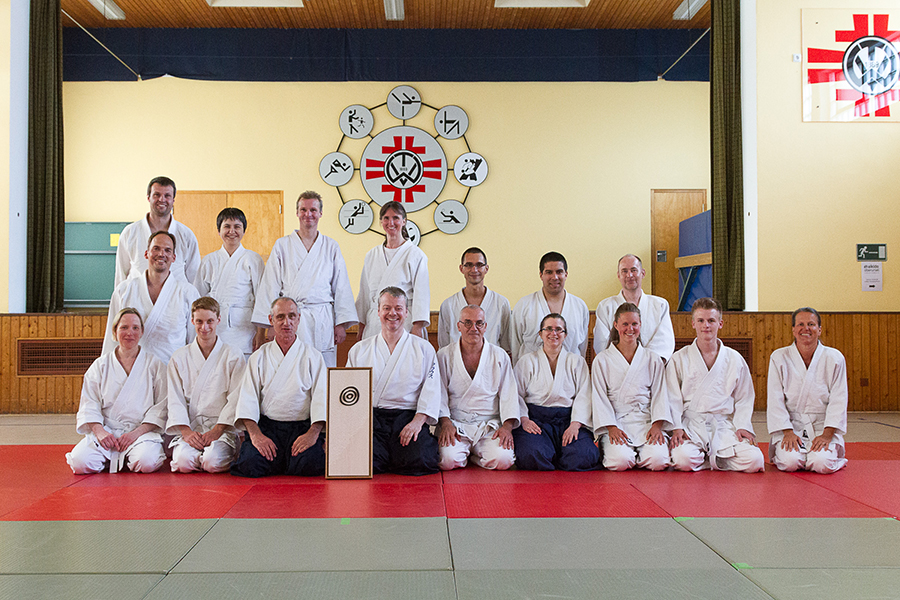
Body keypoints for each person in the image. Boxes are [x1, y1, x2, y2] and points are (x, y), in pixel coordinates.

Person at [252, 191, 357, 367]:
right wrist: (269, 324)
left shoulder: (331, 246)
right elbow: (270, 284)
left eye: (313, 210)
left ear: (321, 213)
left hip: (321, 318)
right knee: (292, 367)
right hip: (291, 318)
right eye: (303, 210)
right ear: (297, 212)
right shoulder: (282, 245)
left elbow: (341, 286)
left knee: (322, 369)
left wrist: (341, 324)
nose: (308, 214)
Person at [229, 297, 328, 477]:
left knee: (311, 463)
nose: (286, 323)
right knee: (250, 463)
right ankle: (281, 460)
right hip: (268, 429)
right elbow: (247, 400)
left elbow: (321, 400)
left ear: (298, 319)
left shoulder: (313, 356)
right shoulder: (258, 358)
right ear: (271, 320)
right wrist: (256, 436)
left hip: (301, 429)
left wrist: (313, 433)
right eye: (280, 317)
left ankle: (284, 461)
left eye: (291, 316)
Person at [347, 287, 441, 475]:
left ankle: (394, 455)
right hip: (372, 419)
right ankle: (389, 455)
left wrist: (417, 421)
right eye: (387, 308)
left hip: (407, 417)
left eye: (398, 308)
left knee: (422, 458)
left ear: (406, 312)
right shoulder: (359, 350)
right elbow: (350, 394)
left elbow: (431, 389)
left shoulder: (424, 349)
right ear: (378, 312)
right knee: (361, 461)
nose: (393, 313)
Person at [665, 297, 764, 472]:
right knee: (683, 460)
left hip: (723, 425)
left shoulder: (734, 359)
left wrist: (742, 425)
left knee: (755, 460)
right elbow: (672, 397)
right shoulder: (678, 358)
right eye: (701, 320)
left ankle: (708, 459)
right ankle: (716, 458)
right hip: (691, 425)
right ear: (693, 323)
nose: (706, 325)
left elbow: (744, 398)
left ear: (720, 323)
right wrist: (677, 427)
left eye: (711, 320)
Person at [66, 308, 166, 474]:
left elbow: (162, 406)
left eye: (135, 328)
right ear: (114, 331)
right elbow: (89, 403)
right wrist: (100, 432)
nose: (129, 333)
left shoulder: (154, 364)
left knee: (147, 461)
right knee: (79, 462)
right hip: (108, 432)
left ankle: (124, 457)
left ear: (142, 332)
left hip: (140, 433)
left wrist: (135, 434)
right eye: (124, 327)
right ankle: (112, 457)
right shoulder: (100, 365)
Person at [166, 297, 247, 473]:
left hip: (221, 428)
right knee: (182, 463)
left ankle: (209, 456)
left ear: (218, 319)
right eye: (199, 322)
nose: (205, 327)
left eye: (210, 321)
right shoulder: (179, 357)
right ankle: (196, 456)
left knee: (212, 463)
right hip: (192, 428)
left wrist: (218, 430)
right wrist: (186, 432)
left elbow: (236, 397)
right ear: (192, 321)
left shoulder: (233, 355)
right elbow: (175, 398)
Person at [436, 305, 520, 470]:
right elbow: (438, 393)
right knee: (447, 461)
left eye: (479, 323)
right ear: (459, 326)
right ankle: (471, 454)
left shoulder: (499, 355)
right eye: (467, 323)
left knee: (503, 460)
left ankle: (472, 456)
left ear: (485, 326)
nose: (473, 328)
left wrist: (507, 426)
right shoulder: (444, 355)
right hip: (456, 424)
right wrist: (445, 423)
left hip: (489, 426)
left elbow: (508, 394)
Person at [512, 313, 599, 471]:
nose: (554, 333)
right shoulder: (527, 361)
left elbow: (584, 395)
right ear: (540, 334)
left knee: (585, 454)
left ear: (565, 335)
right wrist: (524, 420)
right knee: (531, 454)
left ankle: (558, 455)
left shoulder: (576, 362)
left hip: (568, 420)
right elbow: (515, 394)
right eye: (549, 329)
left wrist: (575, 424)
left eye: (559, 329)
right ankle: (552, 455)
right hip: (536, 421)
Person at [767, 307, 848, 473]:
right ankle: (795, 455)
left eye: (811, 324)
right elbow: (775, 398)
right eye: (800, 324)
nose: (806, 329)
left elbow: (839, 399)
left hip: (823, 426)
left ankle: (831, 457)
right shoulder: (779, 357)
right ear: (793, 329)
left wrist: (827, 434)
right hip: (791, 425)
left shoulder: (834, 358)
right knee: (790, 463)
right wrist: (787, 432)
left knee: (821, 464)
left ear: (819, 329)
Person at [591, 303, 671, 471]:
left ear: (640, 325)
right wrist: (611, 427)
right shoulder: (602, 360)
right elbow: (599, 397)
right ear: (616, 325)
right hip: (616, 421)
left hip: (646, 421)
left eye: (634, 324)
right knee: (619, 462)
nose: (630, 329)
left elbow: (659, 394)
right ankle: (631, 455)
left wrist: (657, 425)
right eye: (625, 324)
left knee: (659, 461)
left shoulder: (652, 359)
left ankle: (641, 454)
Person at [103, 231, 201, 363]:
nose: (161, 254)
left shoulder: (188, 293)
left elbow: (195, 341)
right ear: (146, 254)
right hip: (133, 370)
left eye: (167, 250)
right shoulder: (124, 290)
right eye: (156, 248)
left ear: (173, 257)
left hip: (172, 372)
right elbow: (112, 338)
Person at [195, 207, 266, 357]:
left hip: (245, 330)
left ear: (244, 231)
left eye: (237, 227)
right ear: (218, 230)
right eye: (226, 226)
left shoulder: (253, 259)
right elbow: (198, 299)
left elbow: (262, 297)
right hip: (214, 329)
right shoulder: (208, 261)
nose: (231, 231)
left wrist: (261, 332)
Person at [356, 201, 430, 341]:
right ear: (381, 222)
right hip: (374, 324)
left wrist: (418, 327)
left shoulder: (415, 255)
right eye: (386, 218)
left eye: (396, 218)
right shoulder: (372, 255)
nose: (391, 222)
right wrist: (362, 326)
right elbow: (364, 294)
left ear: (404, 221)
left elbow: (422, 295)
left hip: (405, 323)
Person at [115, 176, 200, 287]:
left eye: (167, 196)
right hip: (137, 299)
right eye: (157, 195)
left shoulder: (186, 235)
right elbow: (121, 274)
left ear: (173, 200)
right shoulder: (130, 232)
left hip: (176, 300)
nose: (162, 199)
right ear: (148, 197)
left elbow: (194, 277)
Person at [510, 251, 589, 364]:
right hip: (531, 375)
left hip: (570, 374)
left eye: (559, 272)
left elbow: (582, 348)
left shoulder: (579, 306)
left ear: (566, 274)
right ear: (541, 275)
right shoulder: (524, 305)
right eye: (549, 272)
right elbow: (515, 346)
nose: (554, 277)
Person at [593, 254, 675, 361]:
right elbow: (601, 344)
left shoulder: (660, 305)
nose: (629, 275)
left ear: (643, 273)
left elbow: (664, 342)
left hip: (651, 368)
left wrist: (642, 363)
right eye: (624, 271)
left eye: (634, 270)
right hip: (617, 368)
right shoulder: (605, 307)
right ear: (618, 275)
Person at [437, 247, 511, 352]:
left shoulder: (501, 303)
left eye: (479, 265)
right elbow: (443, 347)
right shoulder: (448, 305)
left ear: (486, 268)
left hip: (492, 365)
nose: (474, 270)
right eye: (469, 265)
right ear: (461, 268)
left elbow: (506, 346)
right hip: (457, 366)